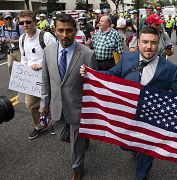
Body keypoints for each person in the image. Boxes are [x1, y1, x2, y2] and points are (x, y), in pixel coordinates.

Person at [80, 25, 177, 180]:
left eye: (153, 43)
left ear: (159, 44)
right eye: (145, 42)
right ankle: (132, 147)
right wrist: (92, 74)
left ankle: (141, 175)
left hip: (151, 119)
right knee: (125, 145)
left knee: (146, 150)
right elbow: (112, 75)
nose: (149, 47)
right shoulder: (126, 58)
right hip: (128, 114)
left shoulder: (170, 69)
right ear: (138, 43)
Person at [40, 13, 97, 180]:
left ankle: (77, 168)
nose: (65, 35)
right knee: (63, 136)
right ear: (55, 30)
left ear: (75, 30)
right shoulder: (48, 51)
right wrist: (44, 104)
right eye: (60, 30)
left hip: (78, 106)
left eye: (69, 31)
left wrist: (89, 76)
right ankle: (83, 140)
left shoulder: (87, 54)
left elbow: (94, 85)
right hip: (57, 106)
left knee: (76, 142)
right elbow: (46, 80)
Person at [18, 10, 56, 139]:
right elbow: (24, 58)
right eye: (22, 22)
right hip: (31, 78)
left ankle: (56, 123)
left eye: (28, 22)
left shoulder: (46, 37)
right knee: (30, 104)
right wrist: (22, 73)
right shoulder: (22, 38)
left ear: (35, 22)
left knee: (52, 102)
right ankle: (40, 126)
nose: (25, 25)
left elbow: (56, 57)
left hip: (48, 76)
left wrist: (41, 65)